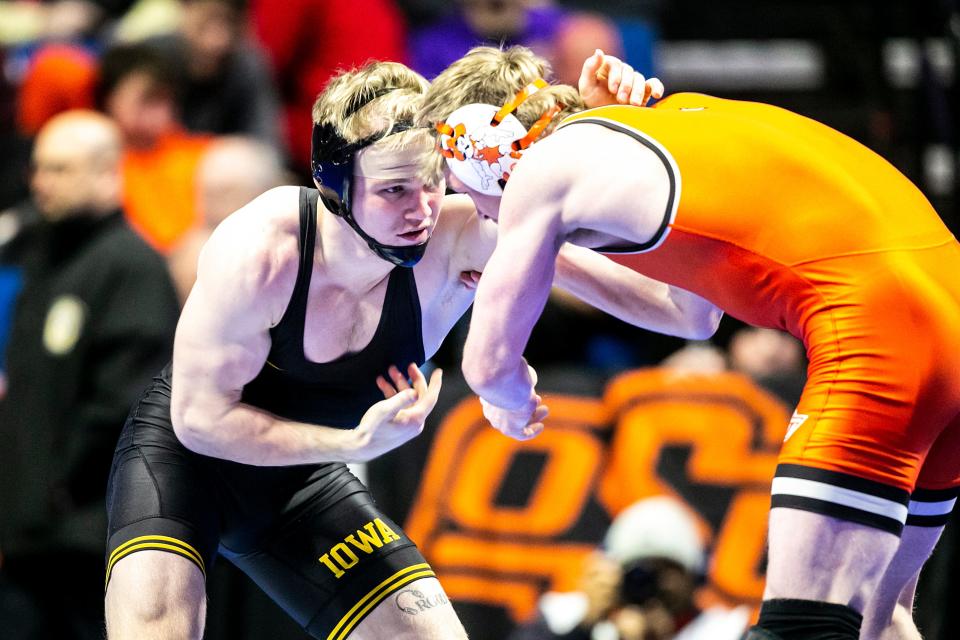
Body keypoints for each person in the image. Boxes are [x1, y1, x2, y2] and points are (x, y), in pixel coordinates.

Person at [103, 55, 685, 640]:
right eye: (393, 190)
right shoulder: (265, 249)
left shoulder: (459, 236)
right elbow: (199, 420)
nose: (422, 209)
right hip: (185, 467)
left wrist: (618, 136)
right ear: (334, 188)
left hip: (302, 481)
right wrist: (352, 442)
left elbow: (677, 311)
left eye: (432, 180)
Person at [421, 45, 960, 640]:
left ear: (480, 153)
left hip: (876, 333)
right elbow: (689, 315)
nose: (475, 209)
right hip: (942, 310)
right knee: (878, 625)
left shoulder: (545, 169)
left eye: (459, 186)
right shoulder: (671, 119)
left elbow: (488, 361)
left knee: (799, 630)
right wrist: (546, 253)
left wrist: (511, 398)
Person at [0, 110, 179, 639]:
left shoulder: (131, 266)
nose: (41, 183)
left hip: (85, 537)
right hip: (32, 535)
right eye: (39, 169)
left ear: (107, 173)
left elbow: (125, 403)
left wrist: (55, 487)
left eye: (59, 170)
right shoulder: (46, 260)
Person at [510, 496, 749, 640]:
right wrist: (583, 628)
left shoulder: (726, 631)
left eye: (665, 569)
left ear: (694, 578)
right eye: (636, 569)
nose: (649, 581)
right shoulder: (561, 616)